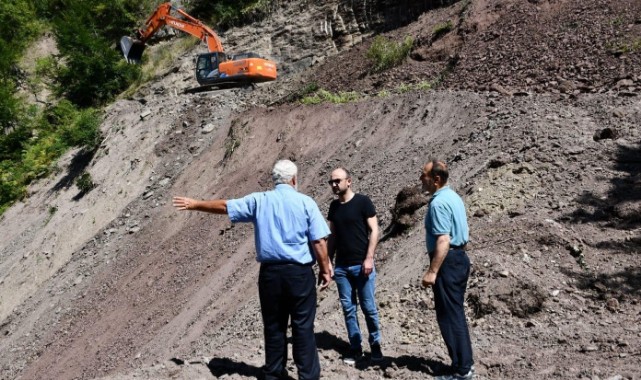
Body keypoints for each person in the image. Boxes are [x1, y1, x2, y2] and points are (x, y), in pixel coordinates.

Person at [173, 159, 332, 380]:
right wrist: (325, 268)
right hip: (299, 274)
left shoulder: (260, 201)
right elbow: (319, 241)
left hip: (270, 275)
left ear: (274, 180)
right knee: (303, 327)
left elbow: (226, 206)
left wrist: (195, 204)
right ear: (294, 179)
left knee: (274, 327)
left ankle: (274, 375)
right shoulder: (306, 203)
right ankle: (308, 377)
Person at [419, 160, 474, 380]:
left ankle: (462, 370)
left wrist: (432, 272)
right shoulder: (453, 197)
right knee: (455, 313)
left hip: (447, 262)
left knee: (450, 317)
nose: (421, 179)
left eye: (423, 175)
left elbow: (443, 240)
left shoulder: (438, 203)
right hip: (458, 258)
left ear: (436, 179)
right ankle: (463, 365)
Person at [326, 168, 383, 364]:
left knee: (368, 307)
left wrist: (369, 258)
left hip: (361, 265)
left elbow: (374, 230)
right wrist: (327, 263)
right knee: (348, 309)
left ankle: (375, 346)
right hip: (342, 268)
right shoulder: (334, 207)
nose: (334, 184)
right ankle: (355, 347)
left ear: (349, 181)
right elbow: (332, 236)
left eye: (337, 181)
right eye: (331, 182)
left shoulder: (362, 202)